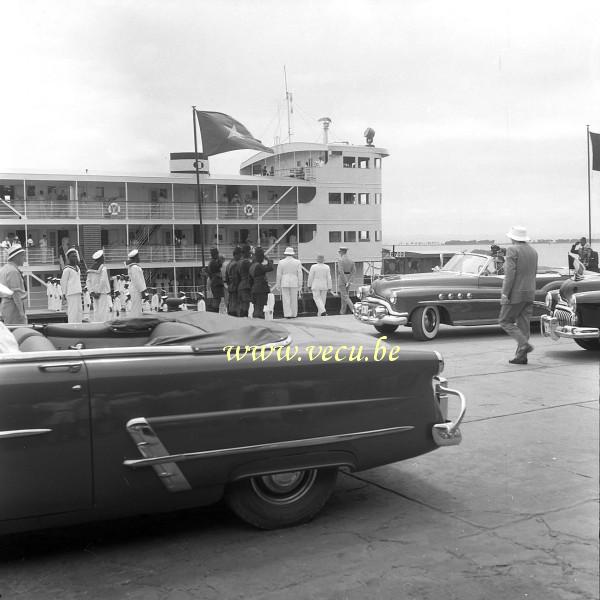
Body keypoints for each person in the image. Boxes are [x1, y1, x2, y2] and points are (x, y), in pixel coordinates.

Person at [498, 226, 538, 365]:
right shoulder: (533, 251)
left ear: (513, 238)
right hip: (530, 292)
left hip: (515, 294)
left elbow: (510, 275)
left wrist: (505, 293)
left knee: (505, 321)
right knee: (523, 325)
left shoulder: (512, 250)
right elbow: (533, 273)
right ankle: (521, 356)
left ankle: (523, 344)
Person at [0, 244, 28, 324]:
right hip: (13, 307)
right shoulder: (13, 271)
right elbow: (15, 293)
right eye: (22, 256)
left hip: (6, 304)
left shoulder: (4, 269)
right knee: (18, 331)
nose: (24, 258)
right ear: (17, 257)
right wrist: (21, 313)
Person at [275, 247, 303, 318]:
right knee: (294, 299)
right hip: (294, 281)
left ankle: (287, 314)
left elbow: (279, 274)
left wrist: (278, 284)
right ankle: (294, 314)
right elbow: (300, 273)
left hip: (284, 281)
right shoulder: (297, 262)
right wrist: (300, 284)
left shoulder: (281, 262)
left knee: (286, 299)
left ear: (286, 253)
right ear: (292, 253)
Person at [86, 249, 111, 322]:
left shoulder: (90, 269)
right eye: (103, 257)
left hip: (94, 294)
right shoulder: (103, 268)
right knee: (103, 311)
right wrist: (99, 292)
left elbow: (88, 281)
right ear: (100, 259)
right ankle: (102, 326)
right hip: (102, 293)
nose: (104, 258)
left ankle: (97, 325)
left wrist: (92, 292)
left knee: (96, 311)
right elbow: (103, 280)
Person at [248, 247, 273, 319]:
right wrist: (267, 259)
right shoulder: (258, 266)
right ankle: (260, 323)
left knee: (256, 307)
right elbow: (270, 268)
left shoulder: (252, 265)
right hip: (261, 289)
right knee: (260, 309)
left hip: (254, 288)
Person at [60, 247, 83, 323]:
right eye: (73, 256)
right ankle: (72, 326)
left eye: (75, 256)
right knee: (72, 311)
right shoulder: (67, 269)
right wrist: (64, 294)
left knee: (79, 311)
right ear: (69, 258)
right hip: (71, 292)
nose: (75, 258)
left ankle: (79, 326)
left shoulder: (77, 268)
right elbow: (63, 282)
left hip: (78, 291)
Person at [126, 249, 149, 317]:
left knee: (136, 307)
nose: (139, 258)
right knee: (136, 308)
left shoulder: (133, 267)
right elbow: (138, 280)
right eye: (138, 256)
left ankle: (135, 320)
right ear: (135, 258)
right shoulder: (134, 267)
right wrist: (143, 291)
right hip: (136, 289)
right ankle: (135, 322)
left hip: (135, 288)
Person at [337, 246, 356, 314]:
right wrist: (350, 281)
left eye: (340, 252)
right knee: (344, 296)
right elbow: (354, 271)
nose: (339, 253)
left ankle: (354, 310)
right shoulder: (351, 260)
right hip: (349, 278)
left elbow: (341, 272)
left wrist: (345, 281)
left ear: (341, 252)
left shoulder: (340, 260)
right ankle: (342, 311)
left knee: (345, 296)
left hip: (342, 280)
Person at [225, 247, 242, 316]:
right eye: (240, 254)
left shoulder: (229, 264)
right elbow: (236, 278)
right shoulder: (236, 264)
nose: (241, 256)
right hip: (236, 287)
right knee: (236, 307)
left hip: (231, 286)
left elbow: (227, 279)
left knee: (231, 304)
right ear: (236, 254)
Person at [207, 247, 225, 312]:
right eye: (217, 254)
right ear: (215, 254)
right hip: (216, 282)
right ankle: (215, 312)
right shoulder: (213, 262)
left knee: (217, 299)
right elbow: (217, 268)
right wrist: (221, 262)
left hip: (215, 282)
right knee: (217, 299)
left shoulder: (211, 262)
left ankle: (215, 311)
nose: (218, 255)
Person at [237, 245, 253, 317]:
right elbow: (253, 271)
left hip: (240, 285)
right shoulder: (247, 262)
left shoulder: (239, 262)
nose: (250, 254)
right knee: (246, 305)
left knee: (242, 305)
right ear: (247, 253)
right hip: (246, 285)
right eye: (249, 253)